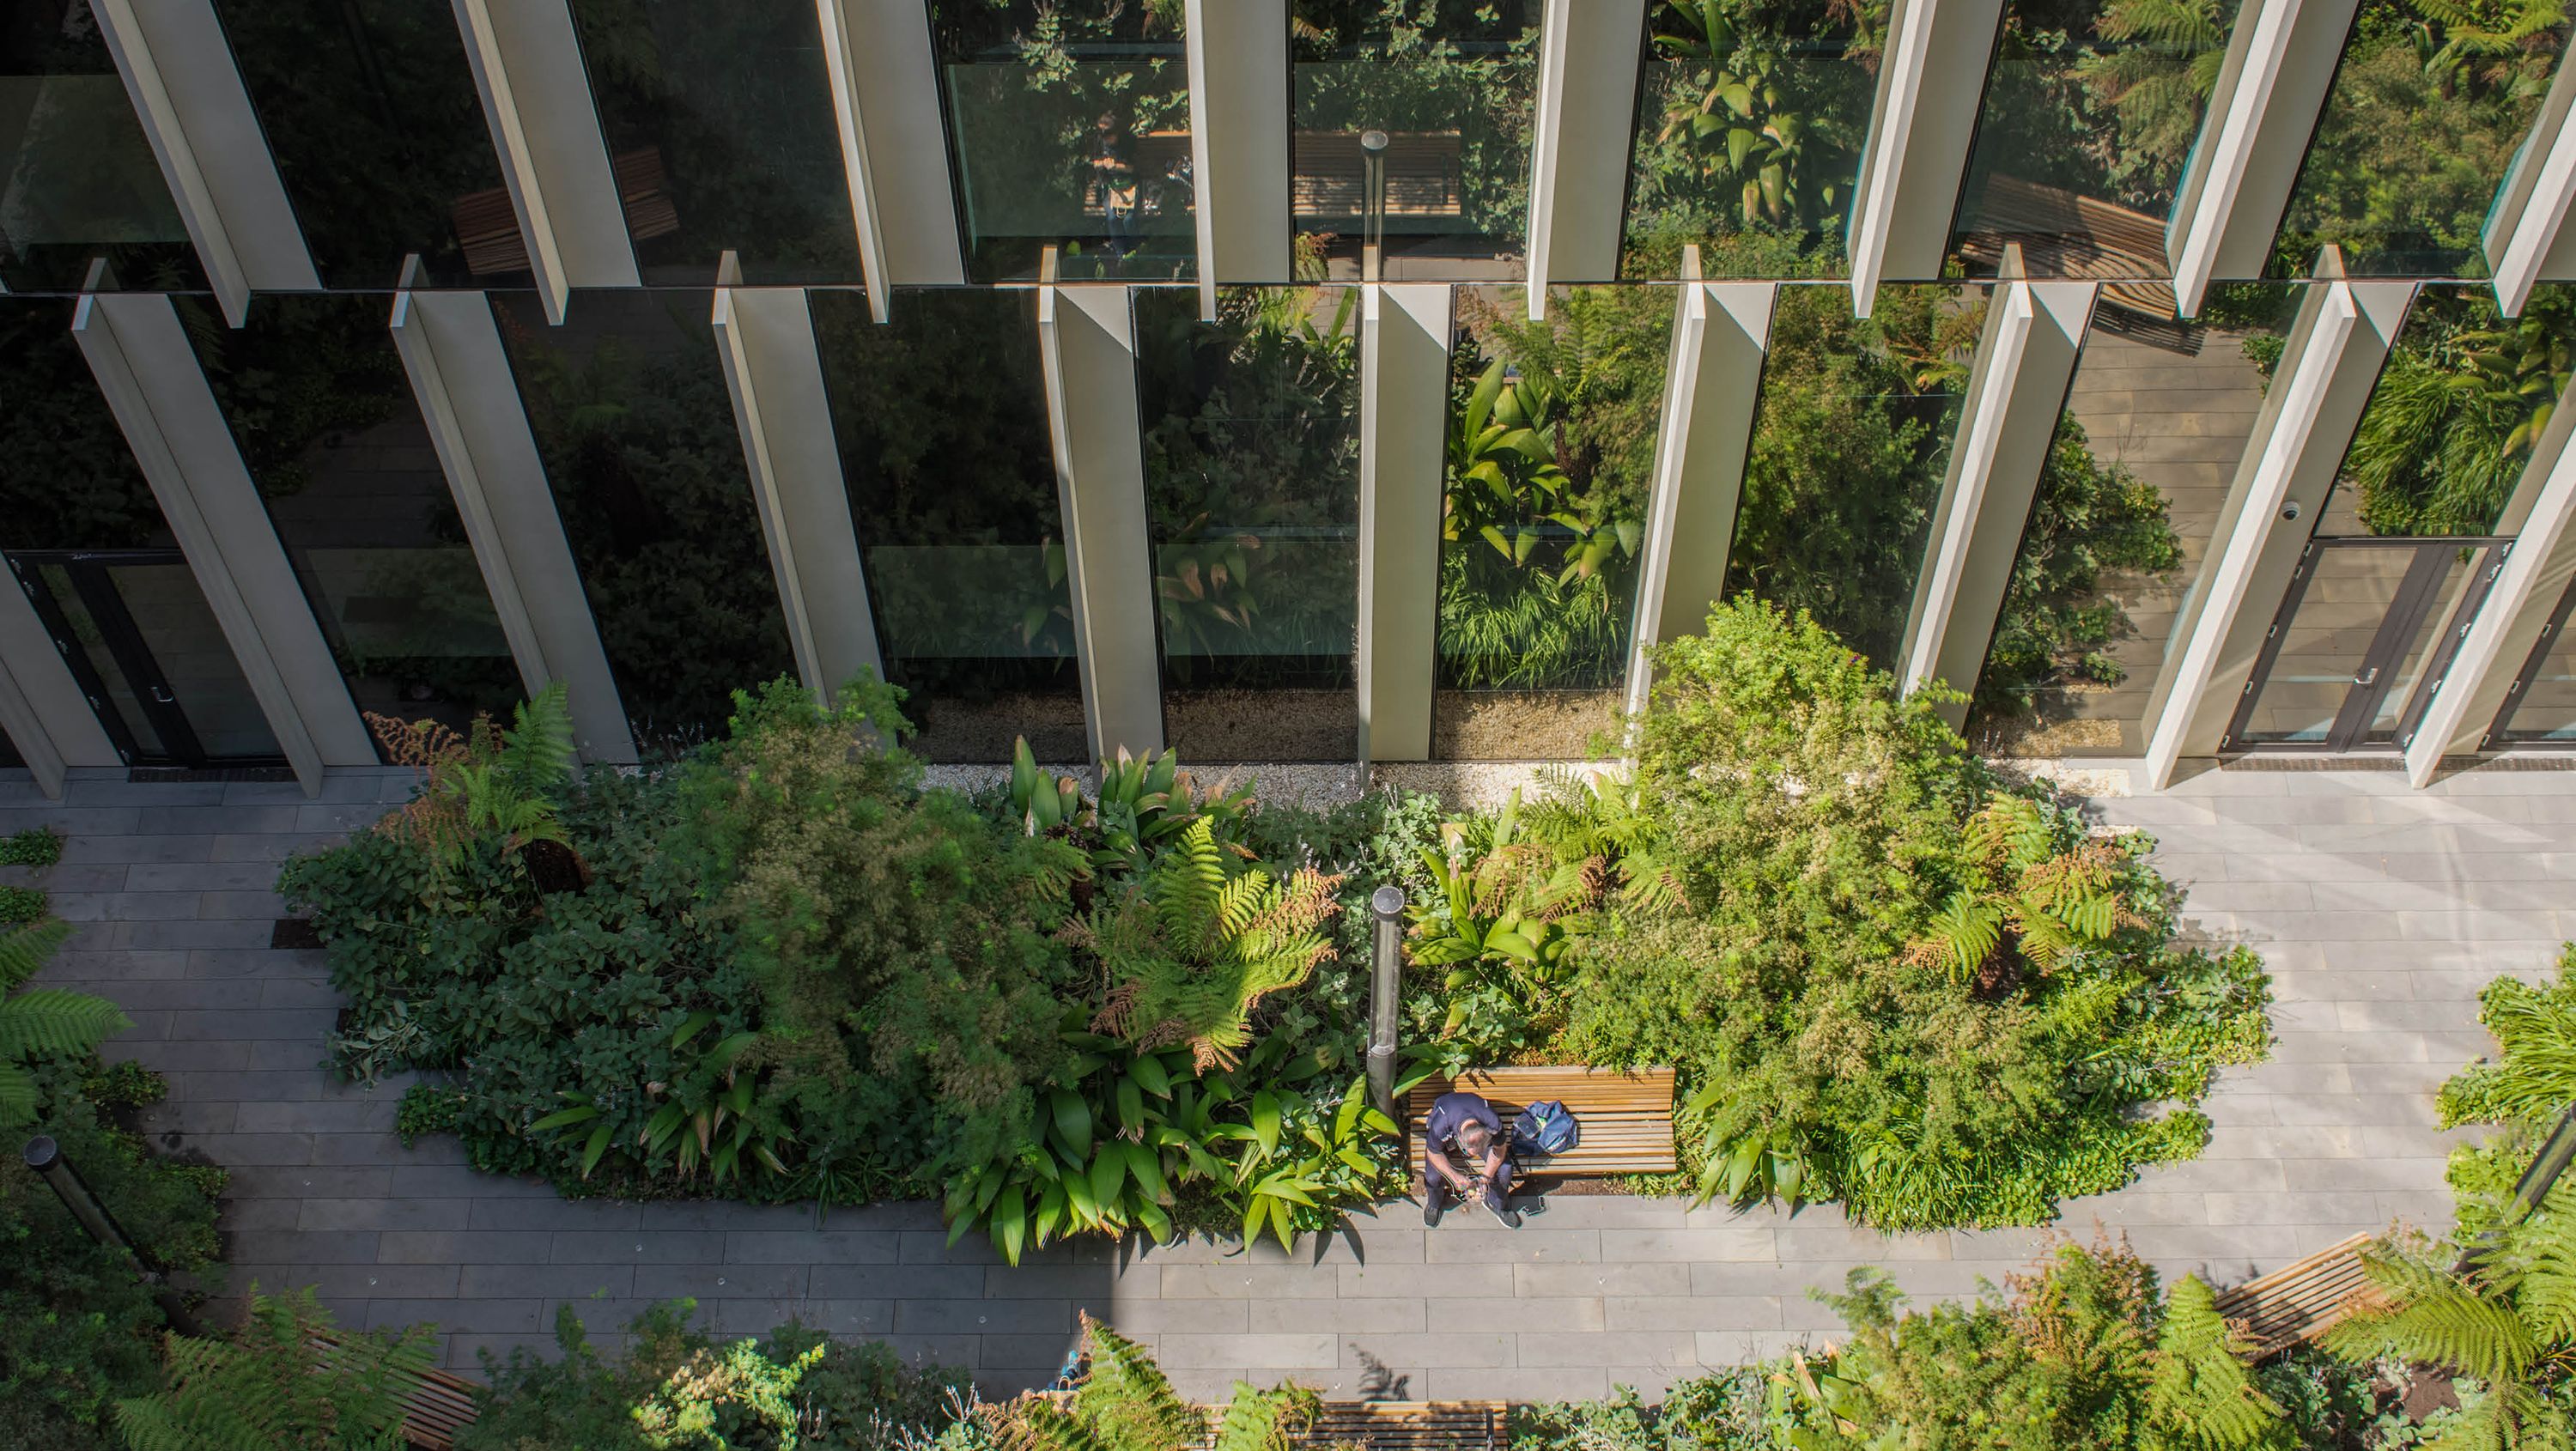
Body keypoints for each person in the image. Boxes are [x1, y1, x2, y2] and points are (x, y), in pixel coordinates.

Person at [1421, 1090, 1519, 1228]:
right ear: (1459, 1139)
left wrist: (1486, 1177)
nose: (1471, 1156)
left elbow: (1500, 1150)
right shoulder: (1441, 1125)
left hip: (1474, 1124)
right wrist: (1455, 1178)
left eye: (1477, 1152)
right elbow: (1433, 1153)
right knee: (1432, 1177)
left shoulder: (1492, 1123)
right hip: (1447, 1117)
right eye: (1468, 1152)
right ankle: (1434, 1203)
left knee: (1505, 1169)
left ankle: (1498, 1203)